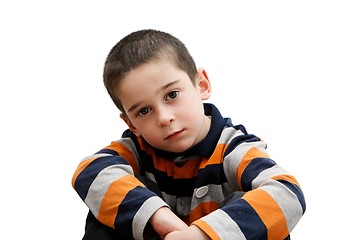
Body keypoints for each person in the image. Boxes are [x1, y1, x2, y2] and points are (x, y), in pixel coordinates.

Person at [71, 29, 306, 240]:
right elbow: (89, 170)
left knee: (253, 203)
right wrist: (157, 216)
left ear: (201, 84)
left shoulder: (233, 147)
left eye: (172, 95)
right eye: (144, 111)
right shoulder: (136, 148)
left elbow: (287, 192)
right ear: (131, 123)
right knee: (111, 196)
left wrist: (200, 234)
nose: (164, 118)